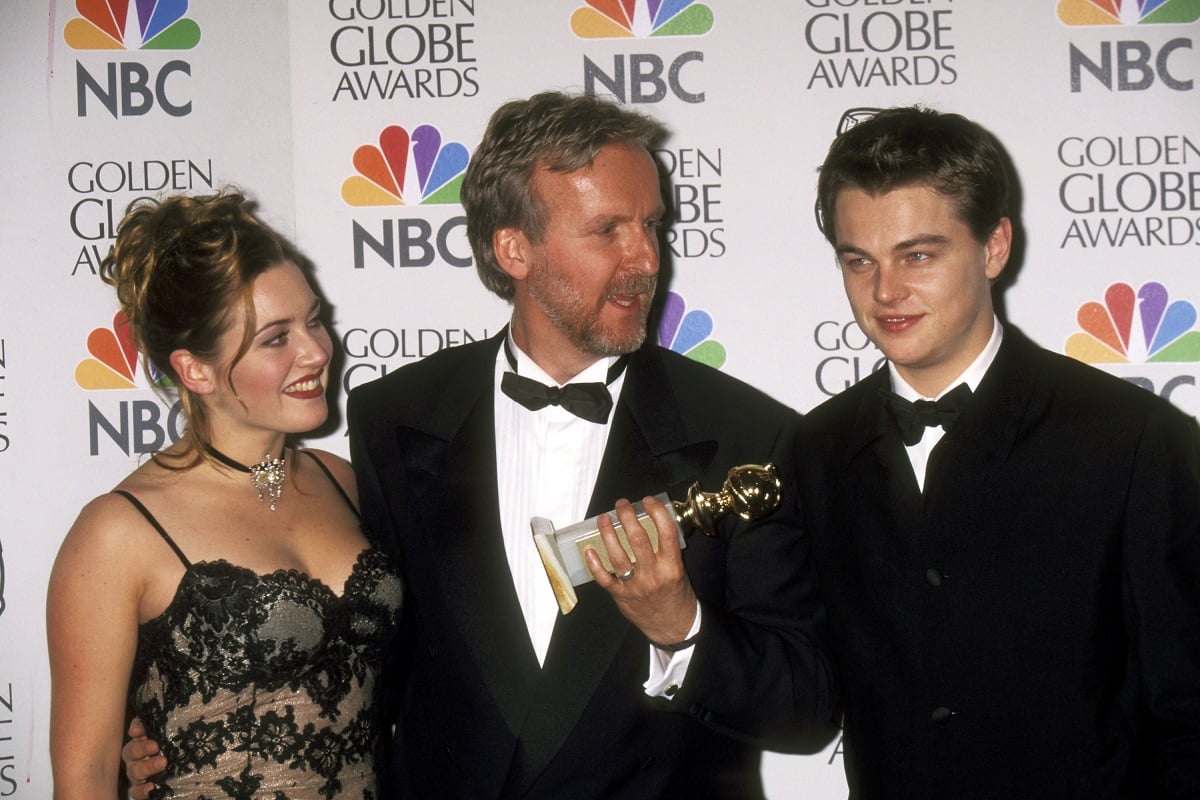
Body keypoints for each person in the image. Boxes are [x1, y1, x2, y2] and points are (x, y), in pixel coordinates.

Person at [122, 92, 835, 799]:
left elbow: (806, 713)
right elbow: (368, 667)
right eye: (608, 230)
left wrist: (681, 628)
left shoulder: (748, 434)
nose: (646, 257)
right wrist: (190, 734)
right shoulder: (393, 421)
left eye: (651, 224)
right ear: (513, 248)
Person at [799, 105, 1200, 797]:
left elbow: (1190, 711)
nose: (885, 292)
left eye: (918, 254)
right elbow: (799, 693)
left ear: (994, 246)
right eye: (858, 260)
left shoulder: (1133, 440)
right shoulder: (814, 451)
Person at [48, 190, 402, 800]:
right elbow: (84, 778)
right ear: (196, 371)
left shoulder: (342, 481)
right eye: (275, 338)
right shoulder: (118, 533)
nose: (317, 351)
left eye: (313, 319)